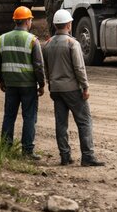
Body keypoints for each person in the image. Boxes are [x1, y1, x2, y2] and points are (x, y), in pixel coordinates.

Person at [43, 9, 105, 167]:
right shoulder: (72, 43)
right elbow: (79, 68)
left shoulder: (47, 44)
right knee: (84, 121)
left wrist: (51, 83)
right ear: (69, 25)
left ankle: (65, 156)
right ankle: (88, 156)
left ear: (55, 25)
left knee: (61, 124)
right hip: (72, 89)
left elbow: (46, 69)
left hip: (56, 89)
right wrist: (85, 86)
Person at [0, 6, 45, 160]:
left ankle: (6, 148)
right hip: (28, 86)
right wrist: (41, 84)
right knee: (29, 117)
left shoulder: (2, 39)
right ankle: (27, 150)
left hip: (10, 85)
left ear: (16, 21)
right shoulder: (32, 40)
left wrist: (1, 80)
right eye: (31, 20)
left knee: (9, 116)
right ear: (27, 21)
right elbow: (38, 65)